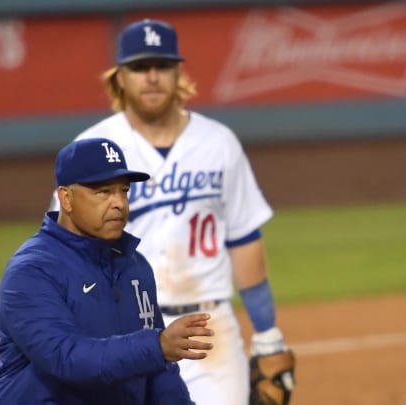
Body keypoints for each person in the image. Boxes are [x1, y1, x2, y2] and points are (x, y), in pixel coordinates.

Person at [51, 19, 295, 405]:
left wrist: (267, 335)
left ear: (179, 72)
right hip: (119, 329)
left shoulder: (219, 143)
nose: (152, 77)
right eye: (139, 66)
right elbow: (62, 251)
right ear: (120, 77)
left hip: (208, 331)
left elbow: (245, 241)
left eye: (162, 65)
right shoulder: (93, 147)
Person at [0, 138, 214, 405]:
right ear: (66, 199)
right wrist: (157, 345)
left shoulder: (134, 267)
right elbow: (66, 358)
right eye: (104, 192)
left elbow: (158, 371)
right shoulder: (32, 272)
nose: (119, 203)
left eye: (124, 191)